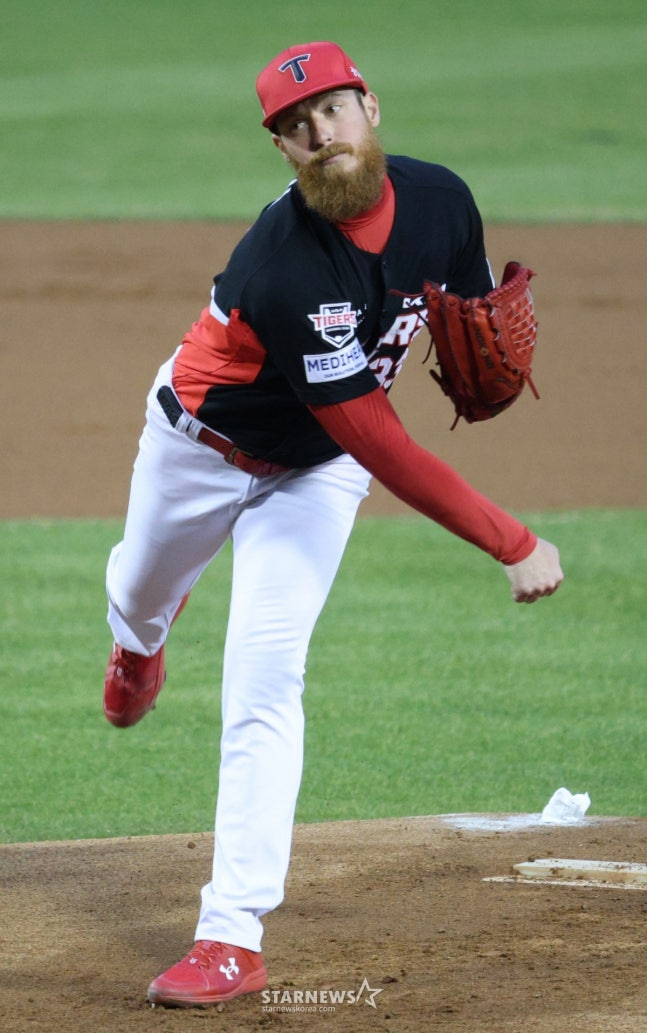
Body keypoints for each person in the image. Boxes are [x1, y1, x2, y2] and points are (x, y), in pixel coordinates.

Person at [103, 41, 564, 1008]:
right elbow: (381, 441)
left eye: (332, 109)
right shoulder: (286, 265)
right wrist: (510, 539)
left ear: (370, 107)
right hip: (198, 450)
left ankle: (230, 938)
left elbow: (469, 307)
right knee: (137, 595)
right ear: (279, 147)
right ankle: (139, 646)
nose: (320, 132)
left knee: (265, 679)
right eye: (295, 125)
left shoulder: (443, 201)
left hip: (314, 476)